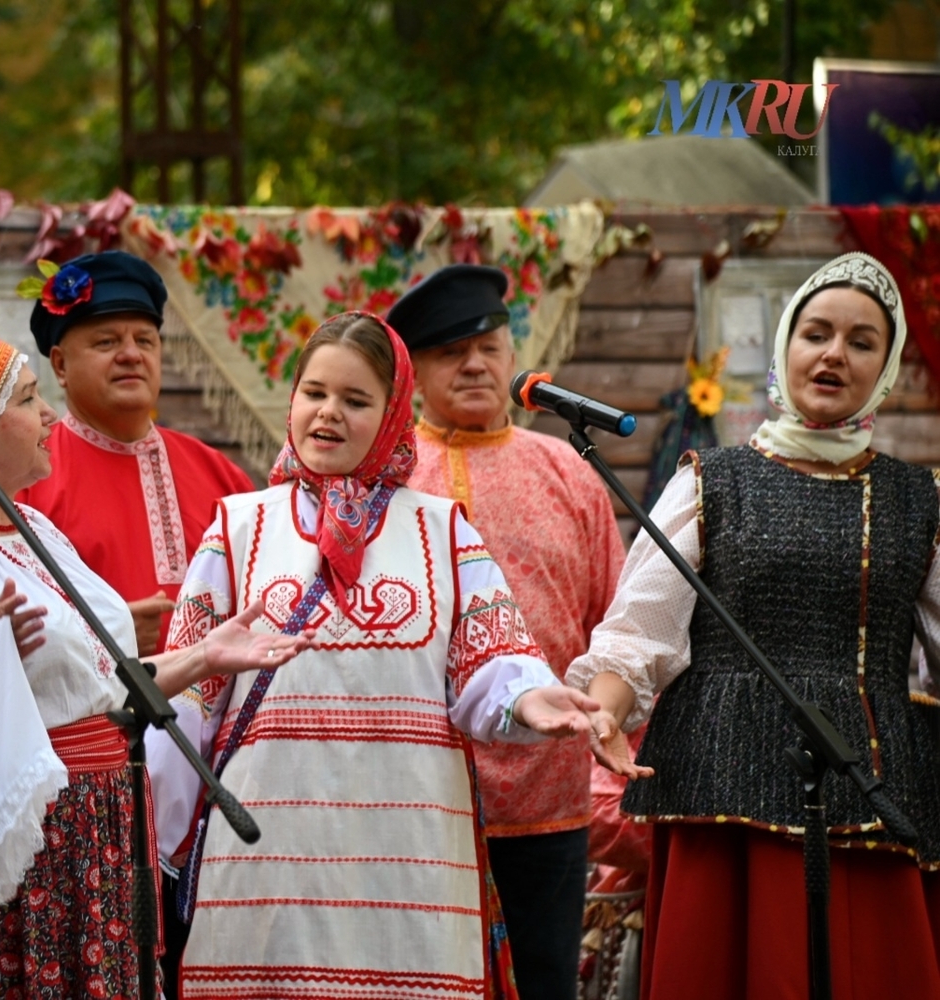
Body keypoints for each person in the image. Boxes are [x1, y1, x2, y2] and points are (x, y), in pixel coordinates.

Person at [0, 319, 312, 1000]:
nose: (50, 416)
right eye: (29, 398)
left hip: (90, 838)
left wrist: (203, 656)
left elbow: (94, 691)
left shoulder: (34, 531)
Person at [151, 311, 604, 1000]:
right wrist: (157, 845)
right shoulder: (237, 526)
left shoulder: (443, 531)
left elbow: (491, 658)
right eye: (314, 392)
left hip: (407, 859)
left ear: (392, 416)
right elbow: (189, 700)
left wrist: (527, 698)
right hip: (267, 856)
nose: (328, 413)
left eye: (356, 400)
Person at [571, 252, 940, 1000]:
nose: (833, 354)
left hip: (870, 778)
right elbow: (641, 628)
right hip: (719, 775)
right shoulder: (711, 480)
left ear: (886, 368)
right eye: (816, 333)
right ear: (785, 346)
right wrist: (605, 710)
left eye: (861, 341)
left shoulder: (918, 500)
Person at [385, 264, 625, 1000]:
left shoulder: (568, 471)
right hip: (417, 796)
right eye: (450, 352)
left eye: (489, 347)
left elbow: (613, 622)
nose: (475, 365)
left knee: (544, 983)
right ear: (414, 372)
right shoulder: (387, 475)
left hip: (549, 799)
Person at [15, 250, 253, 658]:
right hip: (92, 700)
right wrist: (108, 632)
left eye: (145, 340)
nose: (131, 354)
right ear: (60, 365)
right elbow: (0, 626)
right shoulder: (25, 477)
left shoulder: (221, 475)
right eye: (106, 342)